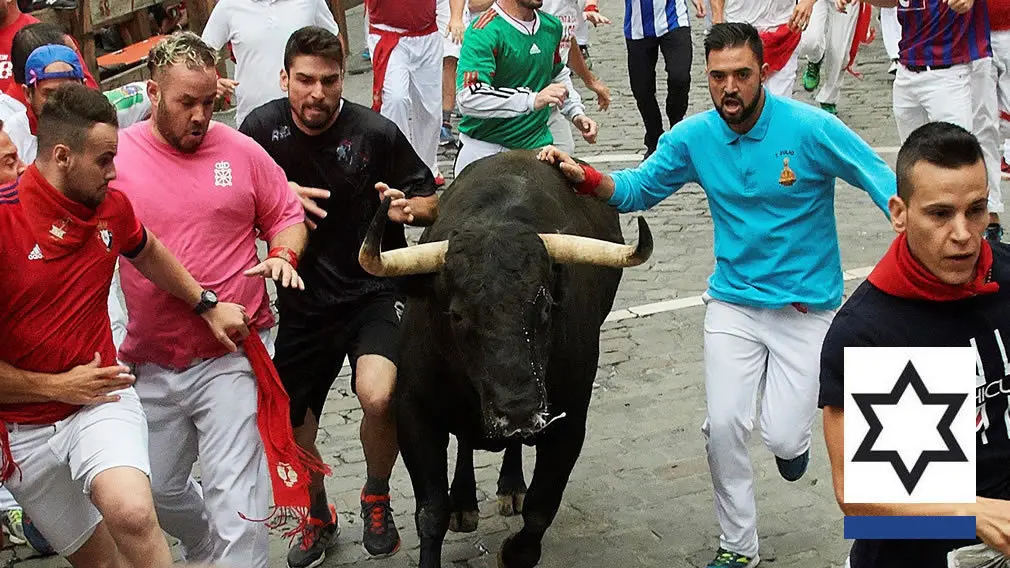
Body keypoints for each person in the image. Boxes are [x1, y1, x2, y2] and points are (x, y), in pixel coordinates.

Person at [537, 22, 896, 568]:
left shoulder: (810, 128)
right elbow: (638, 188)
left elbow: (875, 174)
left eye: (742, 75)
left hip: (807, 309)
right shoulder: (694, 137)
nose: (730, 87)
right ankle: (738, 547)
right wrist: (584, 176)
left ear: (764, 73)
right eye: (718, 76)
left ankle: (792, 447)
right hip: (734, 303)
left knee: (782, 436)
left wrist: (916, 224)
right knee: (724, 426)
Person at [0, 81, 247, 568]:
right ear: (63, 157)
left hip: (100, 398)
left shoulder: (111, 207)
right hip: (22, 431)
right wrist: (57, 386)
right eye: (104, 160)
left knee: (132, 512)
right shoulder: (5, 223)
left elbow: (146, 248)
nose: (114, 172)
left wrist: (205, 303)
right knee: (104, 563)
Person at [239, 25, 438, 566]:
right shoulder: (259, 131)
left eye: (328, 81)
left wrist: (407, 208)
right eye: (305, 80)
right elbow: (235, 204)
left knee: (378, 394)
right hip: (303, 299)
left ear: (342, 78)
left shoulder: (376, 132)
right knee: (292, 423)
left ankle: (376, 494)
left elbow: (430, 199)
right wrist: (277, 198)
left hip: (374, 291)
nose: (317, 93)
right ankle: (317, 511)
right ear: (284, 78)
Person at [111, 32, 309, 568]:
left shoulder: (240, 151)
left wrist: (283, 255)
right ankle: (201, 545)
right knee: (155, 490)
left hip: (232, 354)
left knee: (237, 503)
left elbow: (285, 214)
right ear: (153, 93)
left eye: (209, 101)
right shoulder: (118, 159)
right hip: (150, 360)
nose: (200, 116)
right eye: (186, 102)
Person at [818, 121, 1010, 567]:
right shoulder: (872, 331)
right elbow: (860, 499)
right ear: (899, 213)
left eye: (976, 210)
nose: (963, 233)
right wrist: (975, 514)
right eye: (940, 214)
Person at [839, 0, 1004, 244]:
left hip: (953, 68)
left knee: (960, 156)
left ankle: (979, 227)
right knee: (915, 160)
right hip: (908, 69)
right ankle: (924, 232)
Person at [453, 0, 598, 177]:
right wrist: (531, 100)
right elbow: (468, 97)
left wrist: (575, 112)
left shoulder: (551, 26)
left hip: (537, 150)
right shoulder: (483, 31)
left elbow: (557, 74)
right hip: (486, 151)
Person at [201, 0, 342, 129]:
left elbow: (334, 40)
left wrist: (335, 81)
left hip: (309, 117)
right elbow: (202, 52)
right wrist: (212, 82)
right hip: (254, 121)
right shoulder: (228, 5)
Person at [367, 0, 464, 186]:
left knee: (430, 108)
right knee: (396, 99)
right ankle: (398, 167)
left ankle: (426, 166)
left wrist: (456, 17)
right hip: (388, 35)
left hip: (427, 36)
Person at [621, 0, 701, 157]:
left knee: (680, 76)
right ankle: (654, 137)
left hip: (675, 18)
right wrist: (592, 6)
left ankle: (676, 128)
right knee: (641, 88)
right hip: (637, 25)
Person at [540, 0, 611, 154]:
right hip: (519, 108)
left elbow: (567, 41)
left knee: (565, 151)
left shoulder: (571, 8)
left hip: (551, 99)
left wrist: (590, 82)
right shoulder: (536, 6)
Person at [710, 0, 818, 98]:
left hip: (783, 30)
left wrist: (808, 2)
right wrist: (717, 18)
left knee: (778, 101)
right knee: (737, 98)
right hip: (738, 29)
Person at [797, 0, 865, 115]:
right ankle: (815, 59)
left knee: (838, 53)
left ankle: (829, 98)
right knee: (809, 42)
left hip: (847, 4)